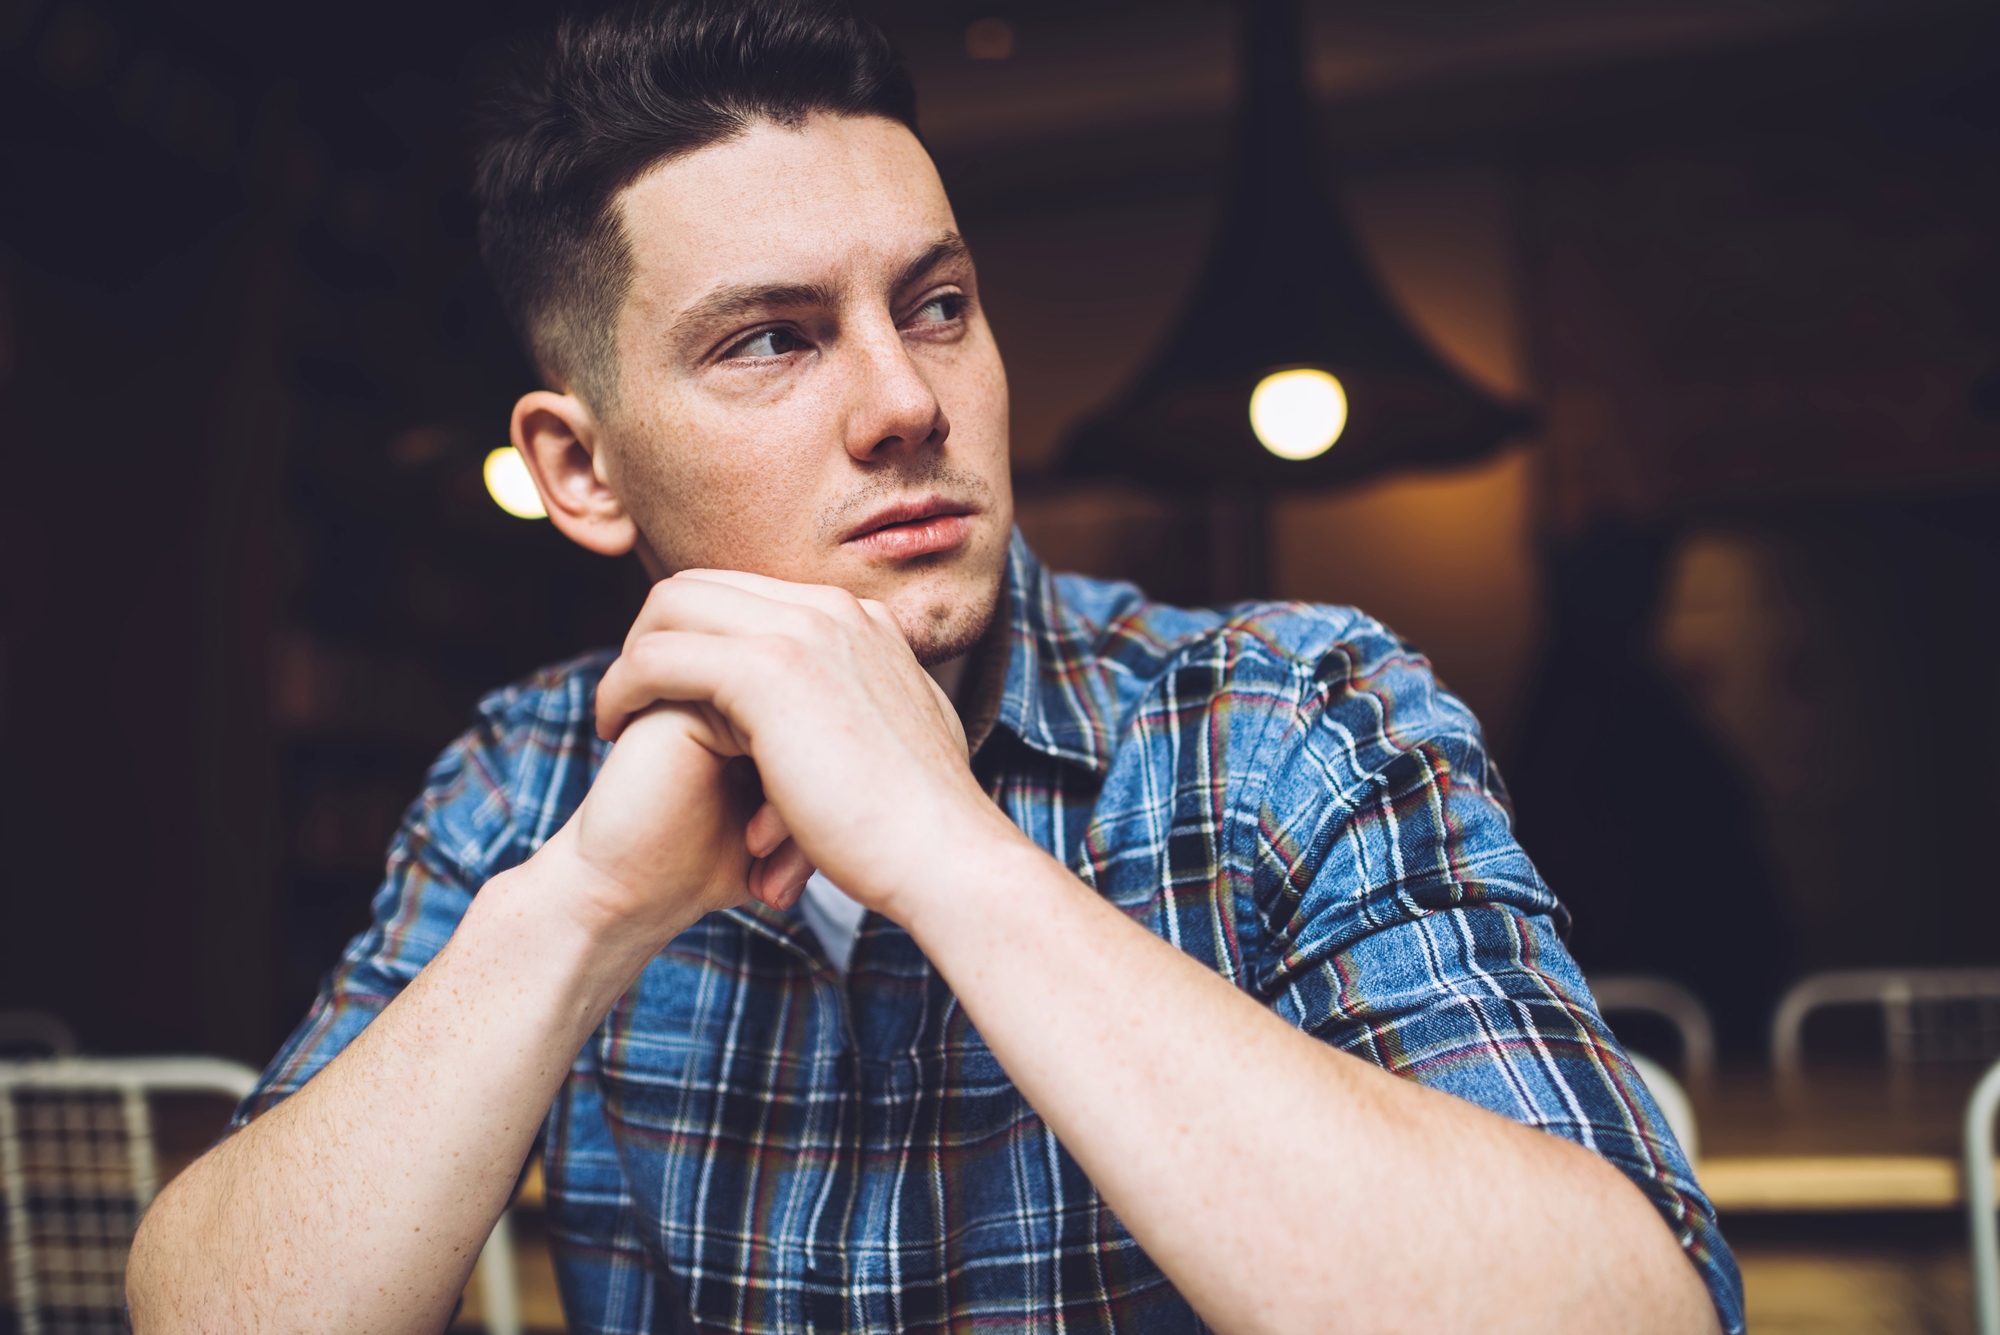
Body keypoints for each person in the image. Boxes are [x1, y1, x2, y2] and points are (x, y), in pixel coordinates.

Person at [127, 3, 1741, 1331]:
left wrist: (950, 855)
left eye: (939, 304)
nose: (908, 400)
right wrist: (579, 913)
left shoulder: (1292, 721)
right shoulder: (524, 781)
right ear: (581, 471)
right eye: (772, 337)